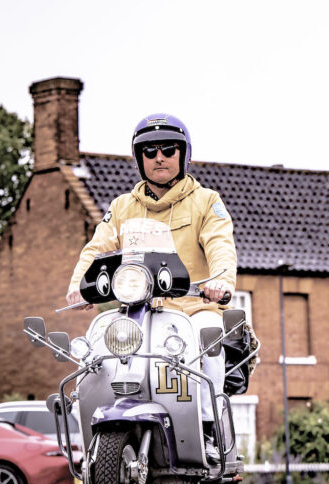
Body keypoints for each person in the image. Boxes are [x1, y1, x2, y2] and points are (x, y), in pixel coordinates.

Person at [66, 113, 237, 462]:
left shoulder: (206, 200)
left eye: (168, 149)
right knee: (94, 351)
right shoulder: (122, 206)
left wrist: (221, 279)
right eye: (150, 150)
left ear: (183, 154)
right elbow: (97, 248)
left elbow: (221, 243)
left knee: (210, 337)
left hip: (193, 307)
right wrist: (79, 286)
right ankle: (89, 428)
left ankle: (208, 427)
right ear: (139, 158)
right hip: (137, 309)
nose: (159, 156)